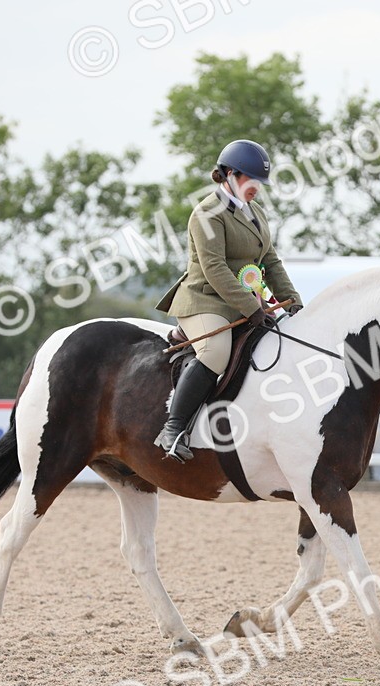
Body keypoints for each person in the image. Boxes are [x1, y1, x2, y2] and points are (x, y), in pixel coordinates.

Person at [152, 139, 303, 462]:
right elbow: (216, 270)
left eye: (260, 183)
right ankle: (173, 429)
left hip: (245, 303)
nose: (257, 189)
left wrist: (292, 301)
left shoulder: (256, 212)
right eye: (251, 180)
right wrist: (252, 308)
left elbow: (271, 261)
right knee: (216, 353)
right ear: (230, 175)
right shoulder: (206, 214)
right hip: (204, 301)